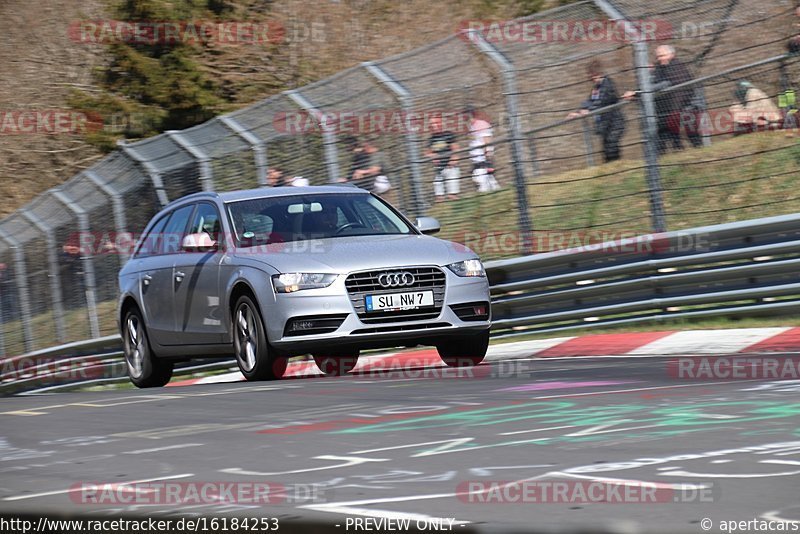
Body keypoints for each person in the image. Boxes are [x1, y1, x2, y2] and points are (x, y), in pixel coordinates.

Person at [624, 45, 701, 153]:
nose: (660, 58)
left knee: (691, 134)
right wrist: (637, 93)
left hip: (686, 106)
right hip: (672, 109)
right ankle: (677, 153)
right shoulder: (661, 68)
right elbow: (653, 85)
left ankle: (698, 151)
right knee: (668, 135)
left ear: (672, 55)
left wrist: (638, 93)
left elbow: (667, 86)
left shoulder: (677, 67)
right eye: (658, 56)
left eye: (663, 55)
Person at [566, 60, 626, 163]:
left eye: (591, 75)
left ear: (597, 73)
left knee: (611, 148)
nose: (589, 78)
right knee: (606, 151)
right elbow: (589, 101)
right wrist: (578, 112)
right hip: (605, 124)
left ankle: (617, 169)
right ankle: (612, 171)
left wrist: (587, 111)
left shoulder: (607, 85)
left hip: (614, 123)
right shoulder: (596, 88)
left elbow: (601, 102)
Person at [465, 105, 500, 192]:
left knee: (483, 183)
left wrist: (488, 159)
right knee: (488, 182)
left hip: (483, 161)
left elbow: (487, 142)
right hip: (477, 161)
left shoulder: (481, 124)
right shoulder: (472, 126)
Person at [425, 116, 460, 201]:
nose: (434, 126)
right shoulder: (431, 139)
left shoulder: (448, 135)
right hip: (439, 169)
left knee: (452, 194)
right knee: (439, 196)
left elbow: (456, 149)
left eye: (436, 123)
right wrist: (432, 156)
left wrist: (454, 159)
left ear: (440, 123)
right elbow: (427, 153)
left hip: (450, 167)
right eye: (432, 124)